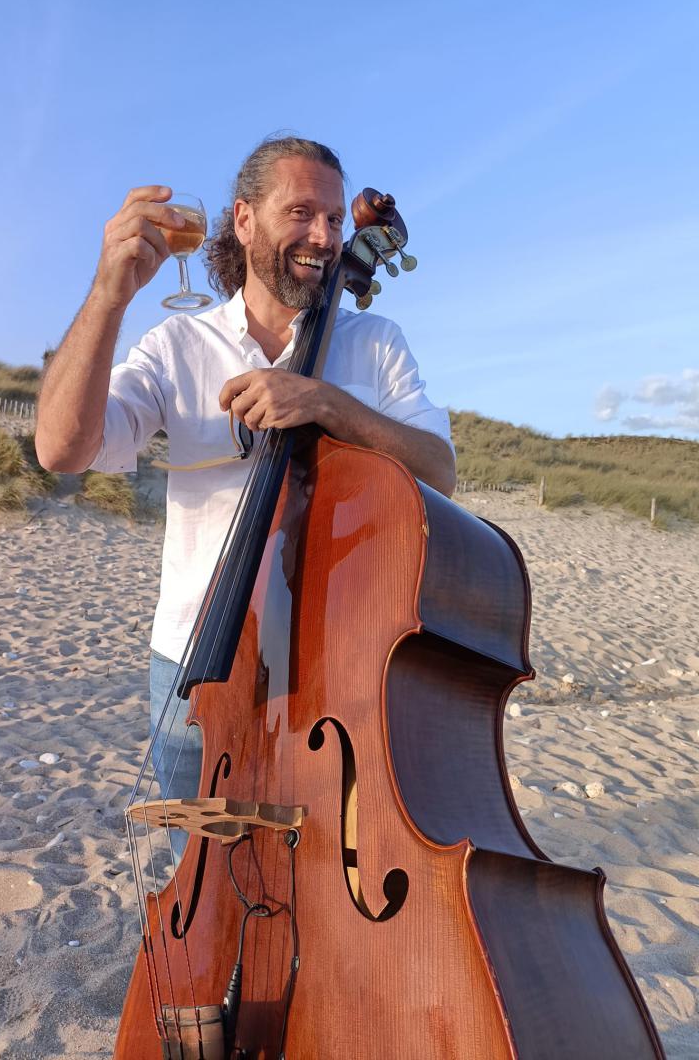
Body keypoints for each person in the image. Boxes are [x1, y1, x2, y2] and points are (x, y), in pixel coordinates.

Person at [35, 136, 456, 816]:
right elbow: (62, 449)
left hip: (337, 670)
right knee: (197, 886)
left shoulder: (375, 345)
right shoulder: (179, 345)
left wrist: (326, 403)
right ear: (244, 219)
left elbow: (439, 471)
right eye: (300, 213)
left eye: (334, 220)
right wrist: (109, 296)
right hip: (195, 664)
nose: (322, 236)